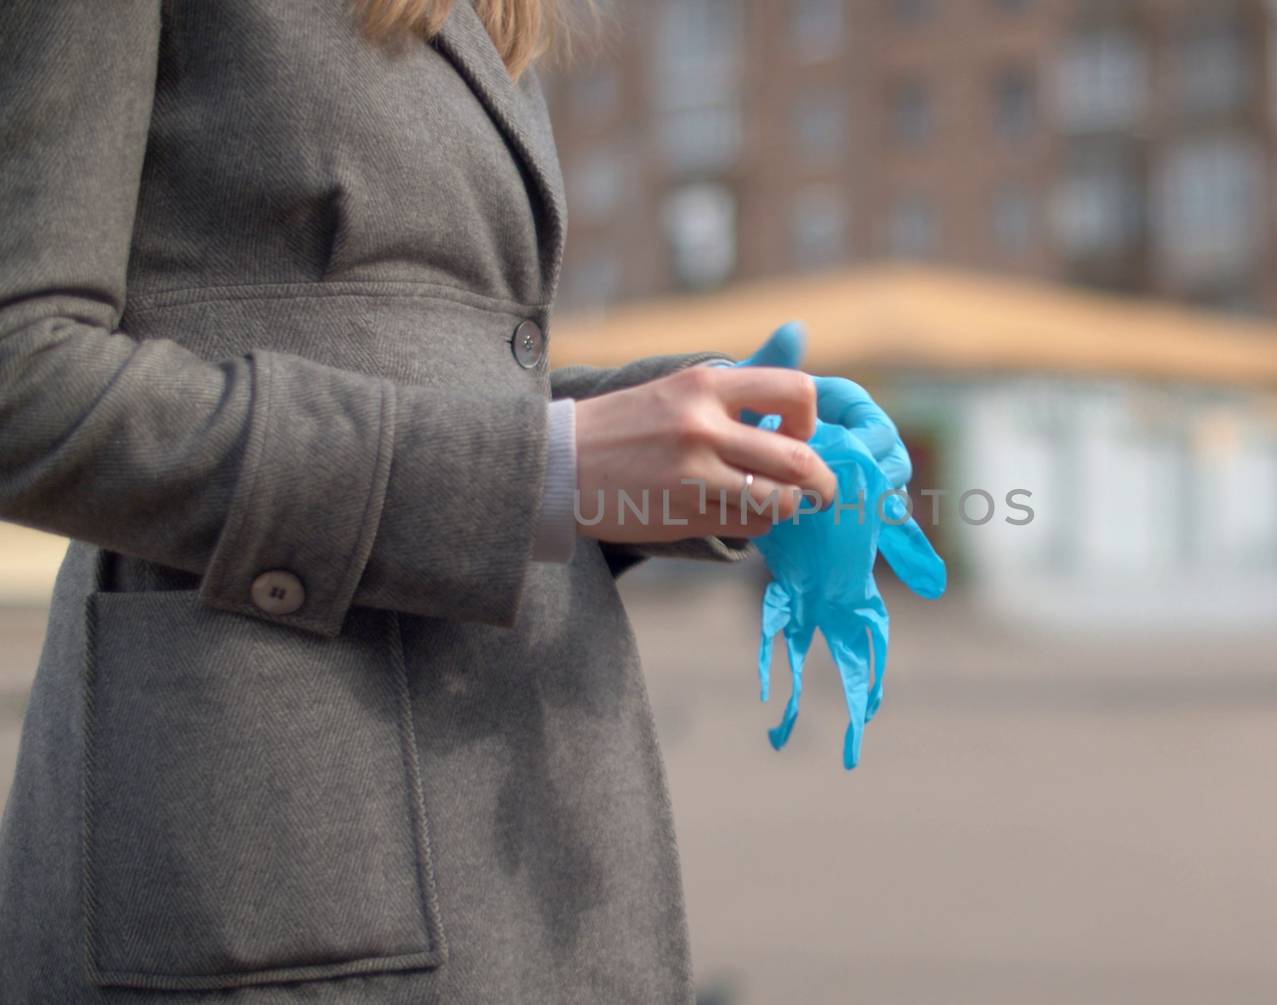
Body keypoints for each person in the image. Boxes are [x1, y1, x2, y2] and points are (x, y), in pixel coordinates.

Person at [0, 2, 901, 1001]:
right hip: (275, 846)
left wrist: (696, 443)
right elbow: (20, 379)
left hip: (519, 822)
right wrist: (541, 469)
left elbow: (444, 372)